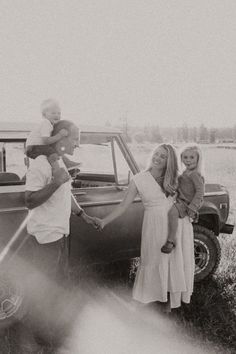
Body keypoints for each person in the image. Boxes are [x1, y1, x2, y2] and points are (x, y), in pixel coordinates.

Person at [23, 120, 98, 348]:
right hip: (45, 238)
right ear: (61, 138)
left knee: (58, 286)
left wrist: (83, 215)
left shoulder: (59, 163)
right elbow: (29, 200)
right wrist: (55, 184)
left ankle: (52, 335)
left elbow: (66, 193)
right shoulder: (40, 164)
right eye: (75, 138)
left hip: (59, 235)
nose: (78, 143)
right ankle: (41, 340)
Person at [95, 144, 195, 310]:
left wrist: (192, 211)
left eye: (163, 156)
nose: (157, 158)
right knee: (152, 259)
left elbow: (190, 197)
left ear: (169, 161)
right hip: (154, 224)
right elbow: (123, 206)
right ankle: (142, 299)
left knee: (173, 261)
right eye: (156, 154)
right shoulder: (139, 179)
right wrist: (104, 221)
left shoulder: (176, 178)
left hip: (177, 224)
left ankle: (169, 302)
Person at [161, 144, 205, 254]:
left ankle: (170, 241)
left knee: (172, 213)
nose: (188, 160)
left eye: (191, 157)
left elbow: (200, 192)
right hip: (181, 199)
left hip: (187, 203)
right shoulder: (186, 172)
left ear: (198, 158)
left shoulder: (195, 174)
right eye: (185, 157)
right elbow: (181, 187)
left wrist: (193, 207)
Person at [26, 98, 80, 172]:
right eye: (53, 113)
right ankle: (57, 171)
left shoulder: (50, 125)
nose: (57, 115)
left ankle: (67, 163)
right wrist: (60, 135)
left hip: (36, 147)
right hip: (33, 148)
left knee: (56, 153)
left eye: (59, 113)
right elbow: (46, 141)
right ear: (44, 115)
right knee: (53, 154)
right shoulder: (46, 124)